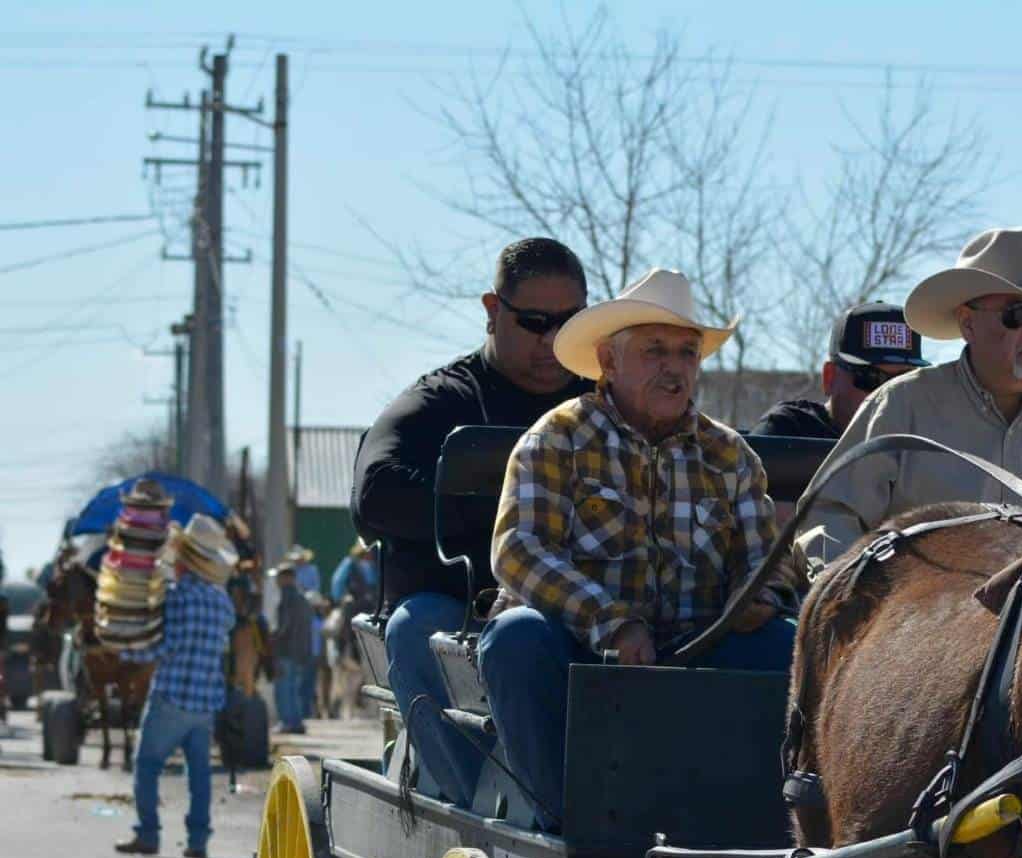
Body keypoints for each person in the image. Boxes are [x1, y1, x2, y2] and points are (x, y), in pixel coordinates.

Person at [474, 268, 796, 825]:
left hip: (703, 657)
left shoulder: (731, 456)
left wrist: (760, 595)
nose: (674, 370)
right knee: (514, 639)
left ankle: (773, 824)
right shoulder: (556, 439)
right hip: (581, 658)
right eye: (654, 351)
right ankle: (566, 825)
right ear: (608, 360)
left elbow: (768, 560)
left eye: (687, 353)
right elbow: (518, 551)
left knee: (789, 646)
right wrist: (613, 622)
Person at [352, 238, 592, 776]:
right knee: (415, 627)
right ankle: (466, 805)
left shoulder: (604, 403)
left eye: (568, 322)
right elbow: (374, 495)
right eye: (533, 321)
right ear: (492, 311)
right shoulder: (442, 400)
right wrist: (514, 520)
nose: (551, 339)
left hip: (585, 608)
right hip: (458, 607)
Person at [801, 227, 1022, 573]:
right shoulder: (899, 407)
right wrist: (857, 596)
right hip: (922, 623)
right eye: (1017, 314)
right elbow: (827, 517)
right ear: (968, 324)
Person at [114, 515, 238, 858]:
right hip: (206, 700)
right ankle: (198, 841)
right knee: (198, 772)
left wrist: (127, 651)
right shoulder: (221, 602)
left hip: (172, 694)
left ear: (182, 560)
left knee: (147, 763)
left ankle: (148, 834)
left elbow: (165, 645)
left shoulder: (176, 596)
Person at [751, 303, 927, 440]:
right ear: (830, 377)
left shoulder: (922, 441)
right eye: (871, 378)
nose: (888, 394)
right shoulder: (788, 430)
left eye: (904, 380)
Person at [270, 560, 315, 734]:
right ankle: (296, 722)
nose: (276, 581)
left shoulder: (287, 597)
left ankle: (287, 722)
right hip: (299, 652)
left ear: (286, 578)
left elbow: (284, 626)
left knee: (284, 688)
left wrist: (273, 638)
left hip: (286, 650)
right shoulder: (301, 597)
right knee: (293, 689)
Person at [331, 541, 380, 614]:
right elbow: (338, 581)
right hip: (354, 598)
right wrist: (341, 597)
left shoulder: (374, 565)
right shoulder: (350, 563)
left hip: (371, 600)